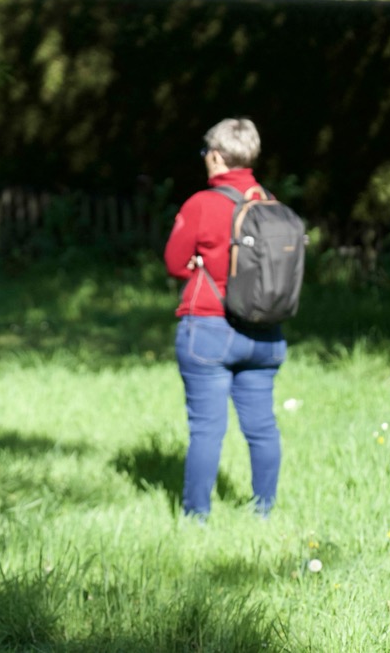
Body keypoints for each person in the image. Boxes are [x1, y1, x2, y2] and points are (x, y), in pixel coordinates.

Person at [164, 117, 286, 520]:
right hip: (266, 333)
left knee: (206, 429)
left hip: (209, 329)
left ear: (216, 156)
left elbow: (175, 263)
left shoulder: (202, 204)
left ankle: (196, 517)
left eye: (206, 153)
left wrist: (201, 263)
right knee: (262, 427)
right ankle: (264, 512)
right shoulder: (270, 203)